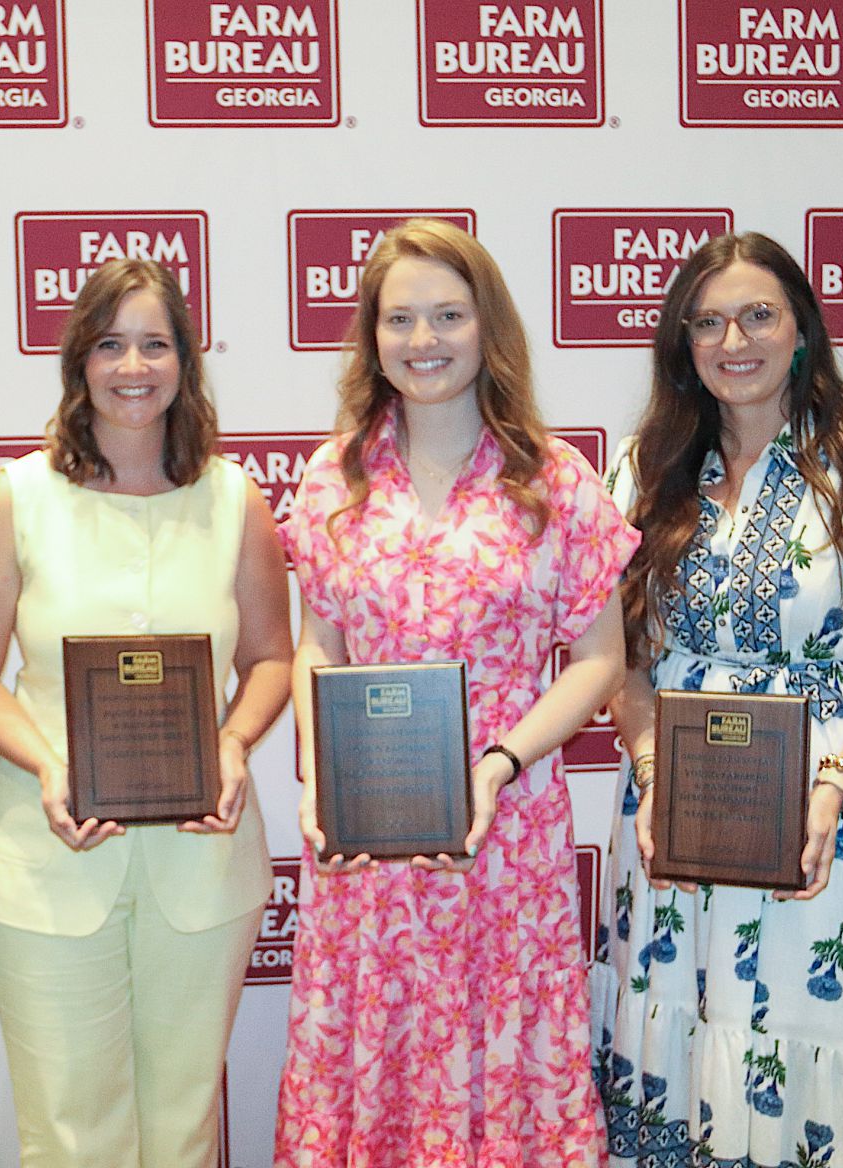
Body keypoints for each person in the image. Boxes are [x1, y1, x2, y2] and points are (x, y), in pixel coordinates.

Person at [593, 231, 843, 1168]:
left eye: (758, 315)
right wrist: (653, 773)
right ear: (683, 342)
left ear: (801, 328)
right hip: (672, 810)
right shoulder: (648, 463)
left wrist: (839, 782)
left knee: (793, 1044)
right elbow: (622, 659)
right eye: (708, 322)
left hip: (817, 812)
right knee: (671, 1034)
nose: (734, 341)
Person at [273, 218, 638, 1166]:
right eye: (399, 318)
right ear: (372, 335)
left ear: (488, 328)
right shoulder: (332, 476)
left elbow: (599, 659)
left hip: (505, 835)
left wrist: (499, 762)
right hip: (367, 840)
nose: (423, 339)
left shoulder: (554, 480)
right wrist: (321, 778)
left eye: (448, 315)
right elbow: (319, 643)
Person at [0, 258, 293, 1168]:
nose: (133, 367)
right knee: (70, 1132)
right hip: (48, 856)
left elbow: (270, 659)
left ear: (185, 361)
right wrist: (47, 762)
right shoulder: (17, 498)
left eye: (154, 344)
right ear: (79, 362)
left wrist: (233, 740)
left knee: (182, 1125)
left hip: (204, 860)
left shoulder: (235, 499)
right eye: (110, 345)